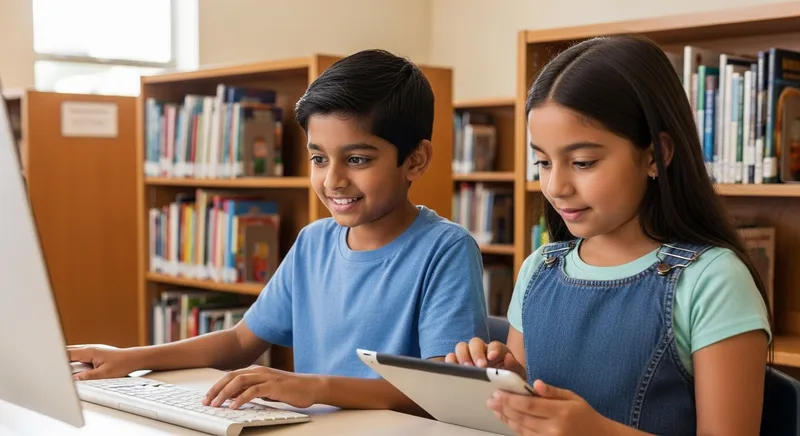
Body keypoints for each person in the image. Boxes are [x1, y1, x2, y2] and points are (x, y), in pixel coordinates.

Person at [69, 49, 489, 415]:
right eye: (319, 159)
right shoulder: (313, 242)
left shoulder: (445, 249)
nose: (333, 181)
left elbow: (443, 392)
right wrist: (130, 358)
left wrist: (315, 387)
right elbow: (238, 342)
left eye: (357, 160)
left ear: (415, 160)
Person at [446, 34, 772, 436]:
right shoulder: (539, 269)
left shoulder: (714, 281)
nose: (556, 186)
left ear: (656, 154)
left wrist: (599, 431)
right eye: (543, 162)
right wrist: (507, 382)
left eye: (583, 162)